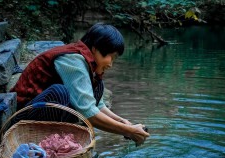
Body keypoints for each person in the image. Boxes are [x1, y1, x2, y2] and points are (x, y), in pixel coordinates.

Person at [10, 23, 150, 145]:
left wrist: (123, 122)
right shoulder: (72, 60)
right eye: (111, 57)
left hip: (43, 114)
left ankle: (58, 139)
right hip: (23, 118)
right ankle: (45, 141)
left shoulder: (87, 63)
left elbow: (97, 105)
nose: (111, 64)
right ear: (95, 49)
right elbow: (89, 112)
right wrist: (130, 131)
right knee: (59, 92)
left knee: (98, 86)